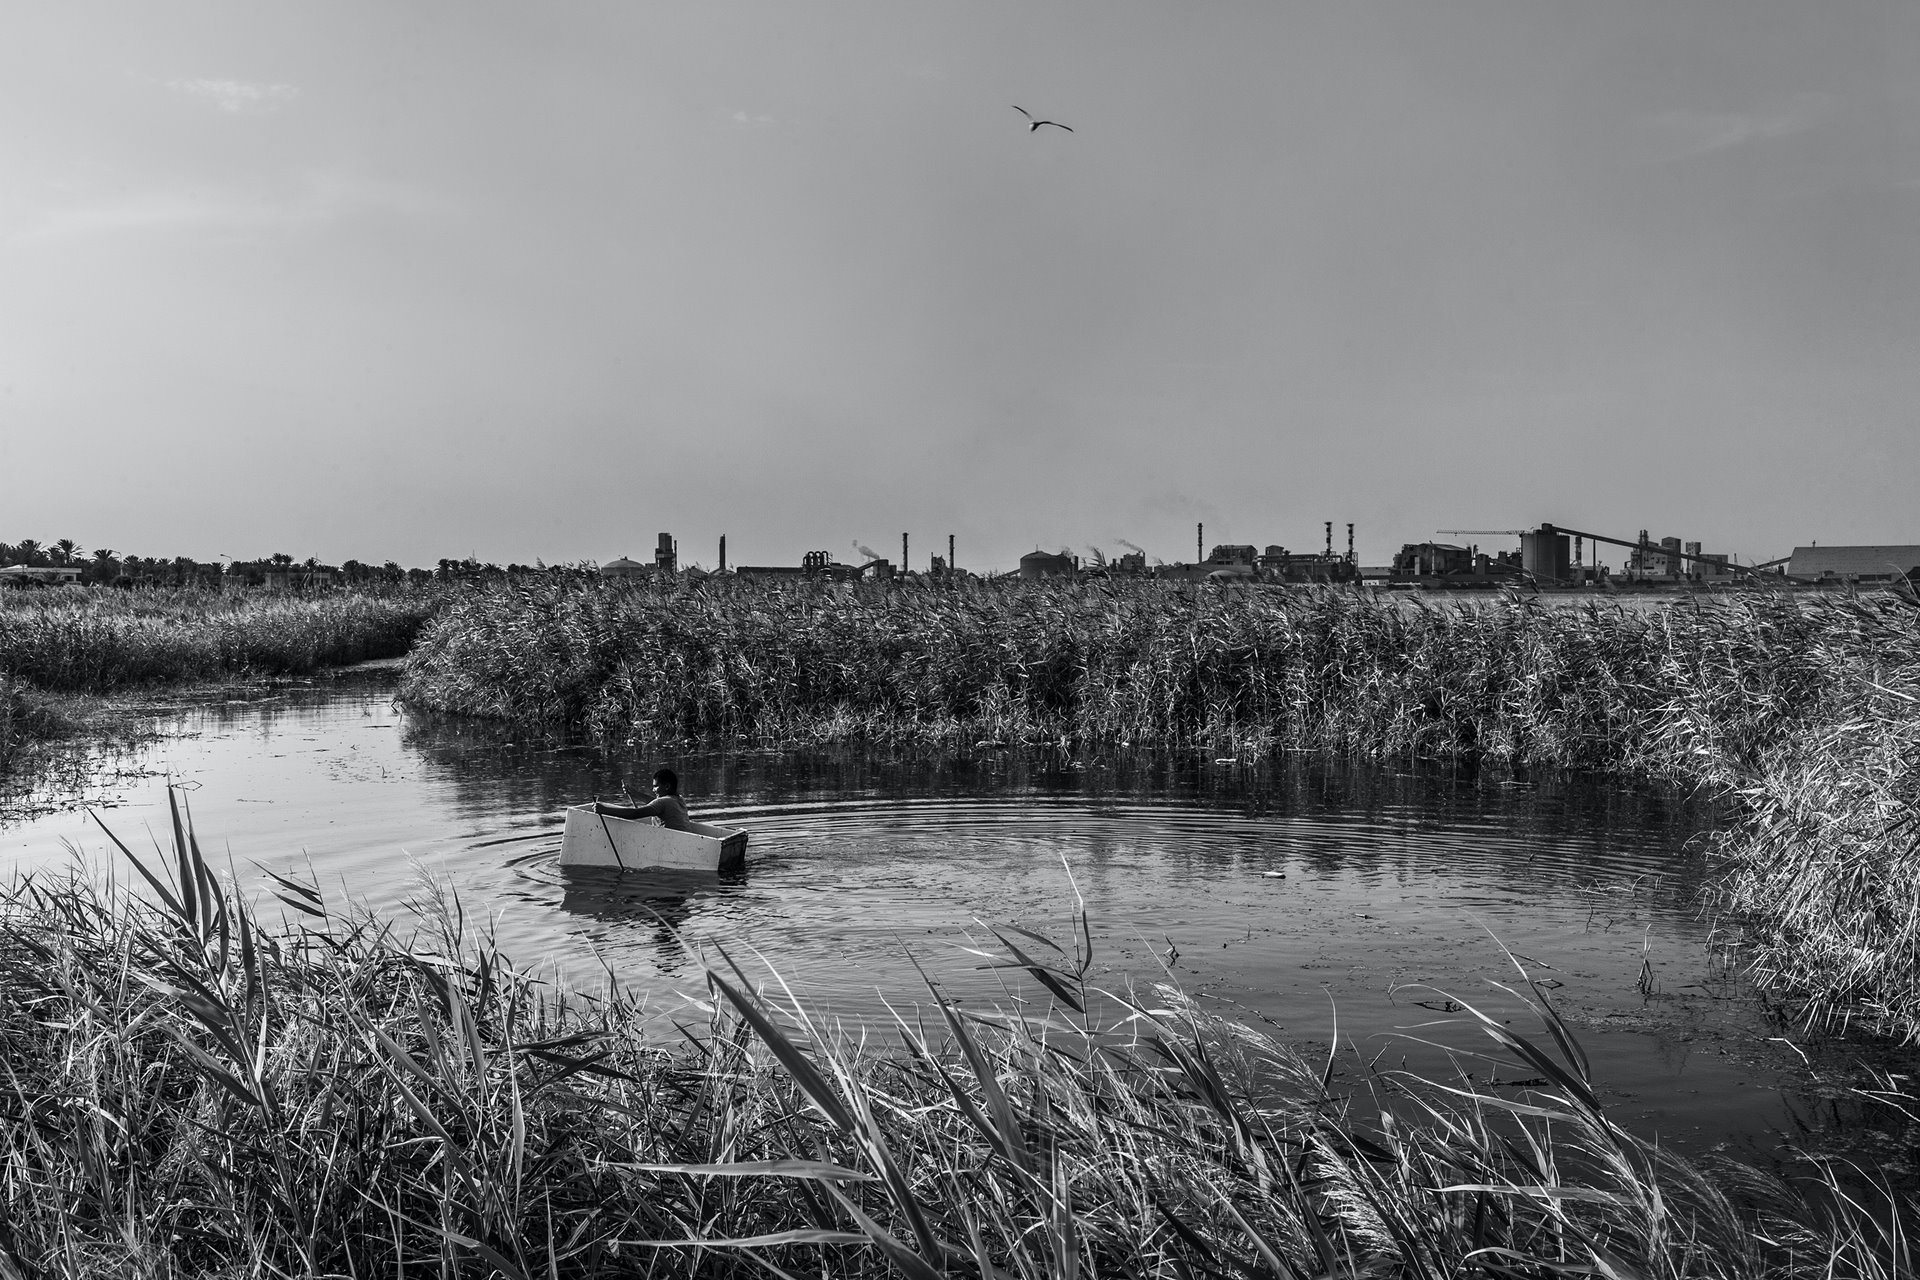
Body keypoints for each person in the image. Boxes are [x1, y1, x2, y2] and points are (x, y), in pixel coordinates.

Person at [592, 767, 695, 832]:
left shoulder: (663, 802)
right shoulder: (678, 799)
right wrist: (634, 793)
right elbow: (655, 803)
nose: (653, 790)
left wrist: (605, 810)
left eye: (655, 786)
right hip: (683, 838)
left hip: (673, 842)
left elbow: (634, 814)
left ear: (667, 786)